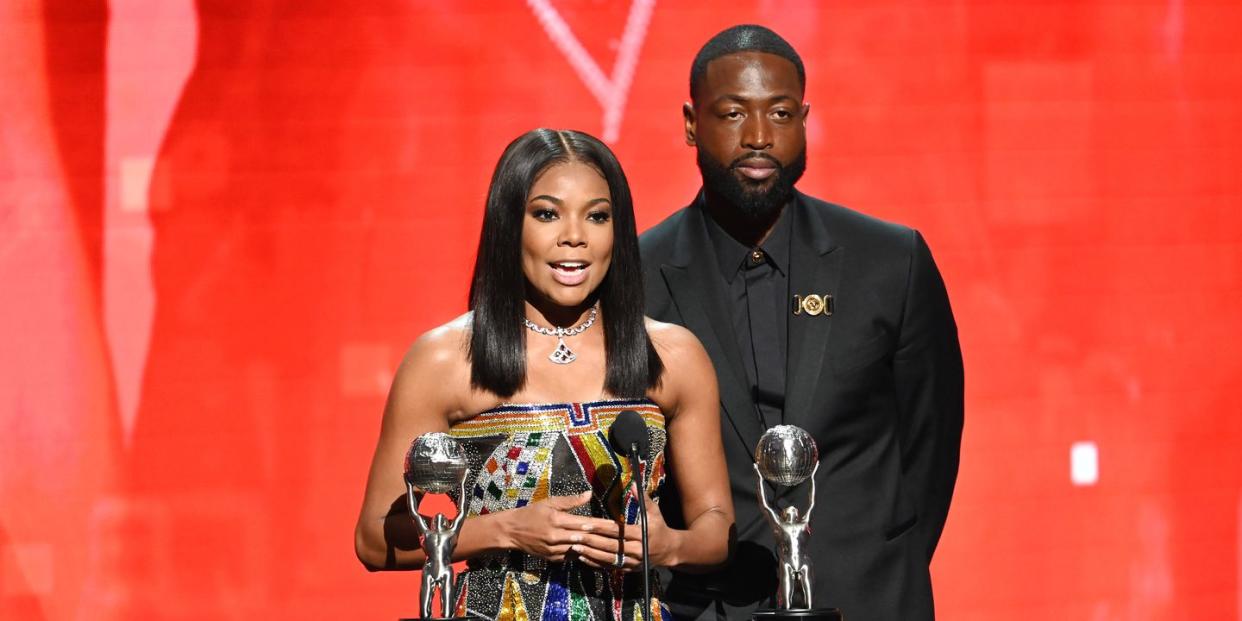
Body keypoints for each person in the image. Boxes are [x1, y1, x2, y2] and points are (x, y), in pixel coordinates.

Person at [640, 25, 964, 621]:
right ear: (691, 123)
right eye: (733, 113)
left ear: (805, 118)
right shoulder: (637, 276)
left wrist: (880, 561)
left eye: (782, 114)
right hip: (705, 605)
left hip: (870, 595)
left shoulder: (891, 261)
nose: (760, 137)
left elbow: (931, 444)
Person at [355, 128, 734, 620]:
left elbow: (717, 525)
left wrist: (668, 545)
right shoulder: (445, 360)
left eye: (597, 216)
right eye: (547, 214)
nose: (574, 235)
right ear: (508, 224)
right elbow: (373, 540)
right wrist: (504, 530)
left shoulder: (671, 354)